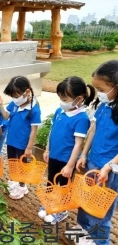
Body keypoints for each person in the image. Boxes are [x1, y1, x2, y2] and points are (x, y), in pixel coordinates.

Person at [72, 60, 118, 245]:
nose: (98, 92)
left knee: (102, 205)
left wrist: (109, 166)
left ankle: (101, 244)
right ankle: (84, 228)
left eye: (101, 88)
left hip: (109, 168)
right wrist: (83, 154)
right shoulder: (104, 106)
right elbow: (93, 130)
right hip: (92, 161)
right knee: (86, 196)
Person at [37, 76, 95, 224]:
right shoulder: (59, 111)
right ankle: (49, 204)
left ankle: (61, 211)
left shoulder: (82, 119)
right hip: (54, 155)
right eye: (60, 97)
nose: (62, 101)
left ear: (79, 99)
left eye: (65, 98)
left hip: (66, 160)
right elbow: (52, 131)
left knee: (63, 186)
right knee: (51, 181)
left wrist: (70, 165)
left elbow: (78, 144)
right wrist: (47, 150)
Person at [0, 76, 41, 200]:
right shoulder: (15, 104)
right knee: (12, 163)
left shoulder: (34, 110)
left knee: (22, 166)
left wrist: (29, 147)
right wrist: (1, 105)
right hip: (11, 141)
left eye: (16, 96)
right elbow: (6, 117)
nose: (14, 99)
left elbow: (33, 131)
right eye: (13, 97)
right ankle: (14, 181)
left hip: (23, 144)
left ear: (27, 92)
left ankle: (22, 186)